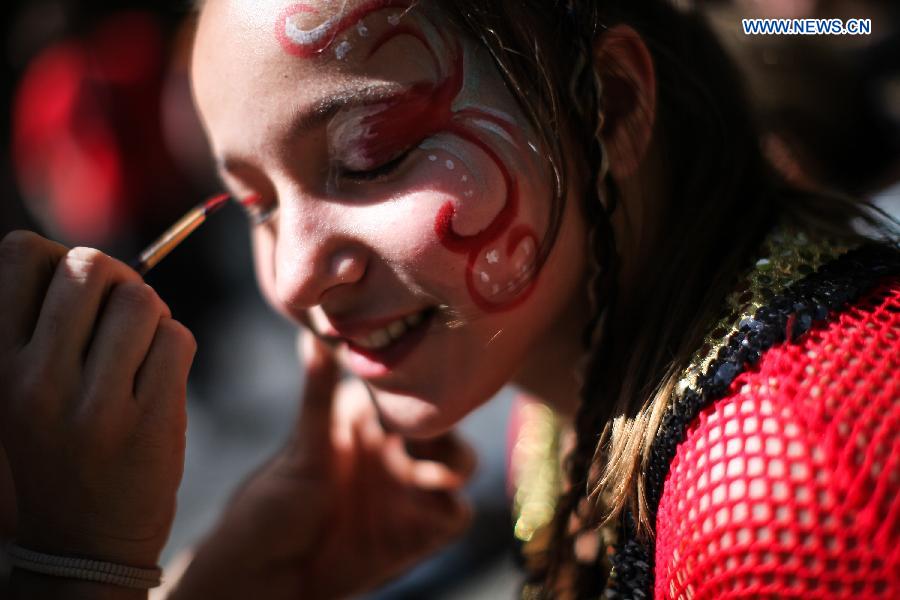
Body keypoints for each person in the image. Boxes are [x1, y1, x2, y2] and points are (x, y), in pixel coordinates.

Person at [1, 0, 898, 598]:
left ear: (613, 106)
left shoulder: (777, 482)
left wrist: (76, 572)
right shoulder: (557, 405)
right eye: (257, 206)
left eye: (370, 157)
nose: (290, 278)